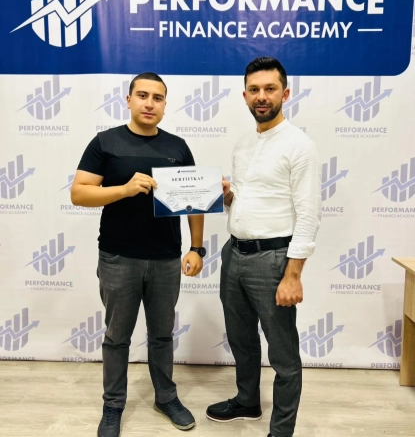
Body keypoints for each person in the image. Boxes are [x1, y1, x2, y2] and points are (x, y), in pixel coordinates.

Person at [71, 72, 205, 437]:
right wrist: (124, 189)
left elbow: (195, 201)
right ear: (129, 100)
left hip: (165, 258)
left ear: (165, 105)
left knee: (162, 335)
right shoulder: (105, 142)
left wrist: (196, 247)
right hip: (118, 257)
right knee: (117, 337)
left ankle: (166, 397)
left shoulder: (177, 147)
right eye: (142, 95)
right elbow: (79, 193)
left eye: (157, 98)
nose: (149, 103)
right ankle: (113, 405)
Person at [206, 57, 321, 437]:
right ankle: (247, 401)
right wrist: (227, 197)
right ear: (244, 96)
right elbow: (246, 200)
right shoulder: (243, 144)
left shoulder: (299, 145)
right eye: (254, 90)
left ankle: (281, 431)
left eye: (270, 89)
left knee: (283, 354)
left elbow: (309, 215)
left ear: (285, 94)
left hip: (273, 260)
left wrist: (293, 275)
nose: (261, 96)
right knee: (241, 339)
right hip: (234, 254)